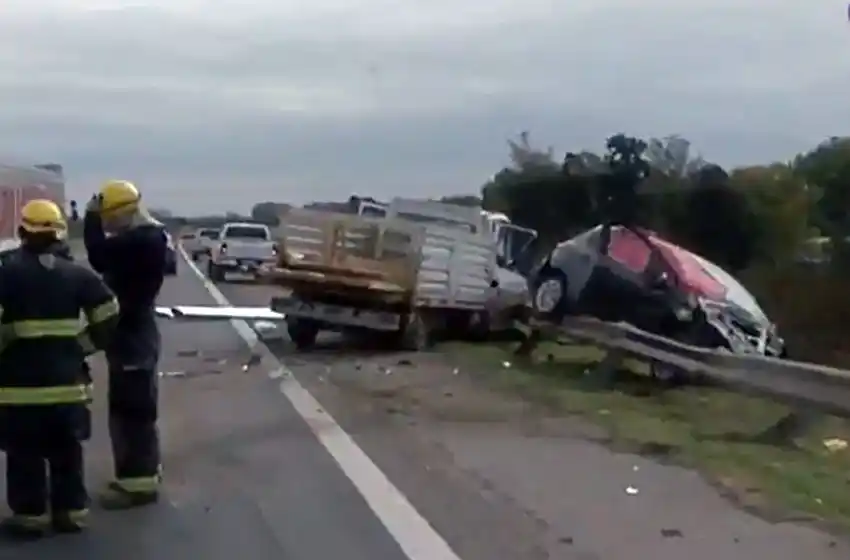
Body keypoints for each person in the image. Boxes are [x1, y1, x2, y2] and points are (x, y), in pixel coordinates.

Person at [0, 199, 119, 538]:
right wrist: (83, 345)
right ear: (59, 232)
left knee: (24, 455)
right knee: (67, 452)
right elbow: (109, 314)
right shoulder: (78, 274)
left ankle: (30, 516)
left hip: (18, 388)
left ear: (22, 231)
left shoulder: (5, 272)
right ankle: (71, 513)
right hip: (68, 385)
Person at [83, 180, 170, 509]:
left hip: (132, 333)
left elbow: (98, 257)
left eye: (108, 219)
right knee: (135, 406)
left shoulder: (137, 241)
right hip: (137, 331)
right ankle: (138, 474)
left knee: (131, 410)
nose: (107, 226)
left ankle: (137, 485)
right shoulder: (149, 237)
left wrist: (90, 217)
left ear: (123, 214)